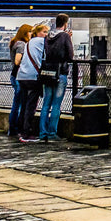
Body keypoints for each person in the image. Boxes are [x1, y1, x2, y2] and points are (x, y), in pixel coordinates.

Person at [39, 14, 75, 143]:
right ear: (65, 23)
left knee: (46, 104)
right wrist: (69, 39)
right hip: (60, 73)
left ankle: (42, 132)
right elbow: (70, 56)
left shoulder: (48, 36)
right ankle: (52, 132)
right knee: (56, 104)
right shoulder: (65, 36)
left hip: (48, 72)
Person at [14, 23, 48, 143]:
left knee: (23, 104)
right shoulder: (41, 41)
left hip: (22, 76)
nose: (46, 34)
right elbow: (53, 51)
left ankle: (20, 130)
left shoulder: (29, 42)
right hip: (33, 76)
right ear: (38, 32)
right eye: (44, 32)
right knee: (31, 105)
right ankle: (27, 133)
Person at [6, 24, 34, 138]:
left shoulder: (15, 42)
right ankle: (15, 128)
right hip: (19, 76)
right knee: (19, 103)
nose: (32, 33)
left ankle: (12, 128)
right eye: (30, 31)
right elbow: (17, 61)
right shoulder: (21, 44)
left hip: (14, 75)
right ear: (25, 33)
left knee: (17, 103)